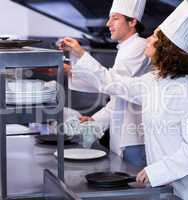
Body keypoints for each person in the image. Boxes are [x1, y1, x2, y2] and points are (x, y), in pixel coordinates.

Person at [61, 0, 188, 199]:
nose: (148, 39)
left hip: (186, 189)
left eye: (155, 36)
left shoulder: (187, 92)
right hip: (162, 184)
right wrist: (80, 57)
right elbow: (112, 83)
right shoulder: (152, 81)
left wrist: (155, 171)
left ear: (166, 47)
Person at [61, 0, 150, 167]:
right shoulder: (125, 48)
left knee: (136, 187)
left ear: (132, 22)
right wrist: (94, 121)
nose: (108, 24)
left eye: (115, 18)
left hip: (134, 138)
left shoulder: (139, 46)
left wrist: (80, 55)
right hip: (124, 138)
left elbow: (112, 83)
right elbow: (118, 96)